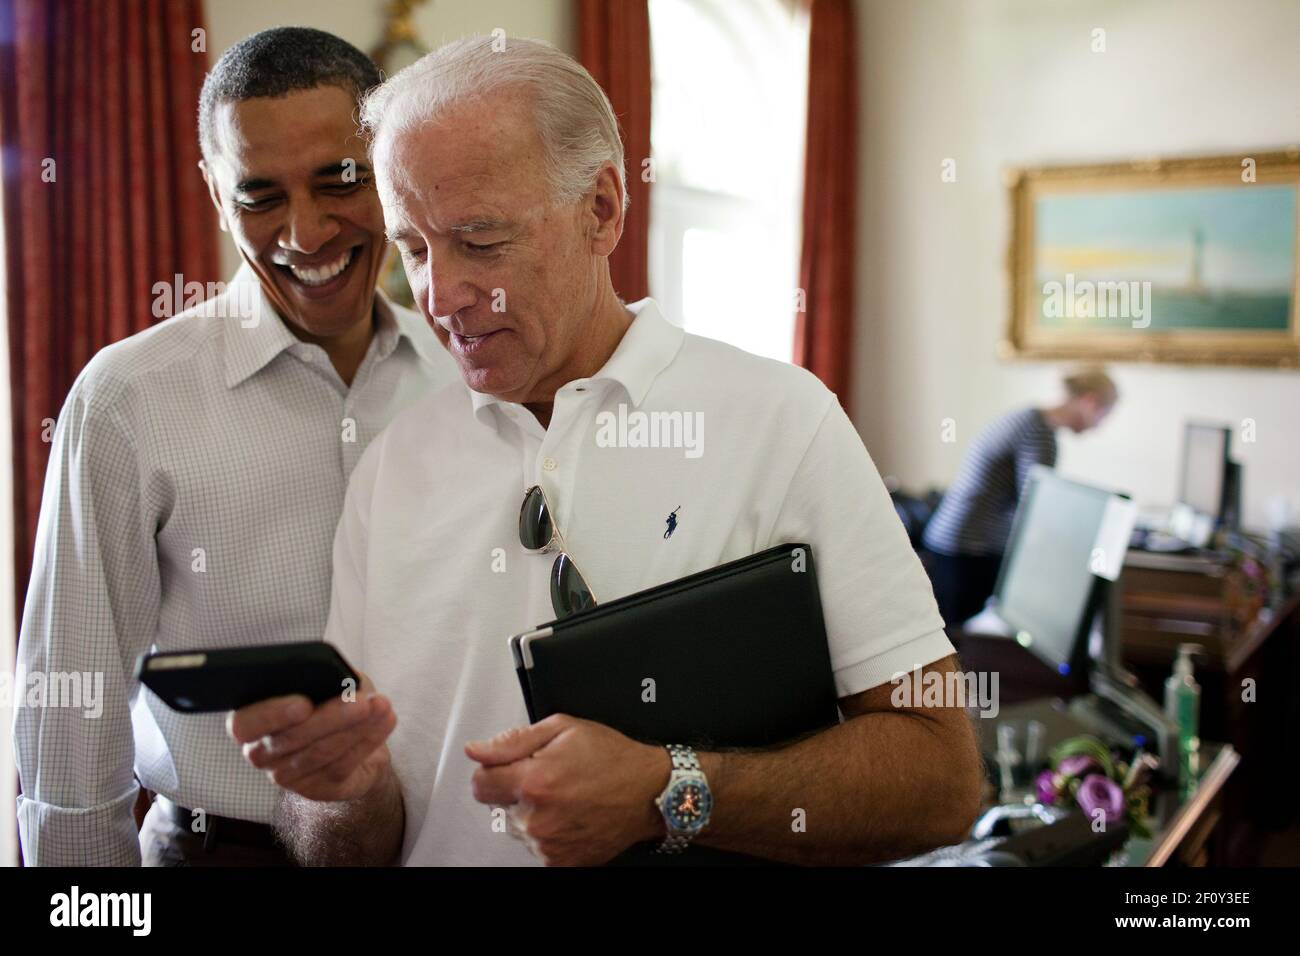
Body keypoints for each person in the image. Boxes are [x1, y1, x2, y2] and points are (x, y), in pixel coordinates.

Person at [229, 37, 983, 867]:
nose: (440, 297)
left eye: (480, 242)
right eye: (413, 248)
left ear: (602, 209)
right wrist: (339, 791)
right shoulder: (389, 470)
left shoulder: (781, 421)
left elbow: (943, 780)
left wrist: (671, 793)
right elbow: (348, 847)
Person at [13, 27, 457, 866]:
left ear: (392, 167)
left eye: (341, 181)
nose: (307, 232)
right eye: (260, 196)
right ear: (215, 195)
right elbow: (69, 716)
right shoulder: (127, 400)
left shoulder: (465, 383)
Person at [922, 367, 1119, 627]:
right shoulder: (1038, 433)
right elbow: (1037, 507)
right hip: (967, 547)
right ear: (1089, 401)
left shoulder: (1029, 419)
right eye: (1102, 415)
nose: (1098, 426)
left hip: (954, 540)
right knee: (961, 639)